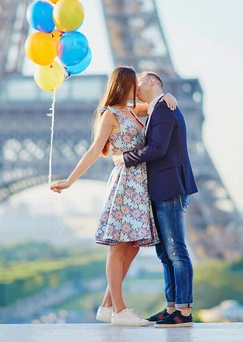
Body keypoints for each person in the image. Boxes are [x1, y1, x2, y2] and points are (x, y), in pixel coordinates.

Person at [50, 66, 177, 326]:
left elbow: (158, 102)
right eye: (134, 85)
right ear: (125, 85)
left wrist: (168, 96)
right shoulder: (110, 114)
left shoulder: (133, 110)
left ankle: (107, 306)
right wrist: (70, 180)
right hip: (126, 184)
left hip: (141, 186)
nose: (138, 89)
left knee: (132, 247)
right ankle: (120, 311)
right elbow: (95, 150)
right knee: (118, 247)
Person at [113, 71, 198, 328]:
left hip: (169, 187)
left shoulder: (162, 108)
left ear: (152, 82)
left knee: (175, 250)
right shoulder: (157, 108)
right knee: (164, 252)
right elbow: (123, 108)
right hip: (161, 188)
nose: (135, 87)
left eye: (138, 82)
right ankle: (172, 306)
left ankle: (183, 311)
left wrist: (123, 158)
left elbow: (158, 148)